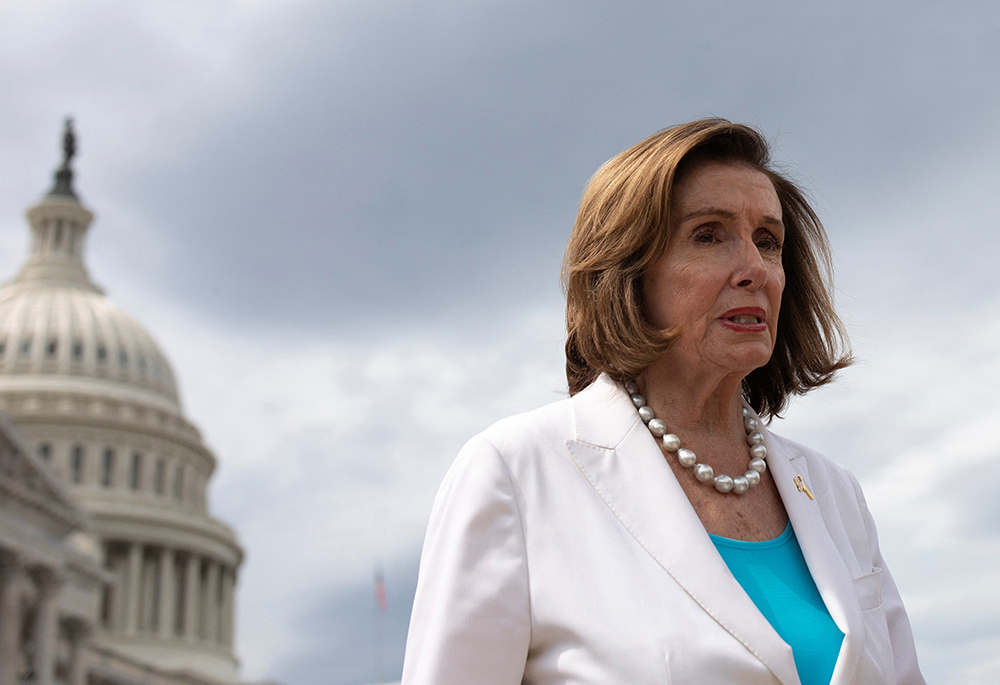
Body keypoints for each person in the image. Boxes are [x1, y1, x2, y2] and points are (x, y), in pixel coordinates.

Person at [401, 119, 925, 684]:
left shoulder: (835, 493)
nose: (754, 269)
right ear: (628, 272)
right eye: (709, 235)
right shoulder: (514, 470)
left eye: (768, 241)